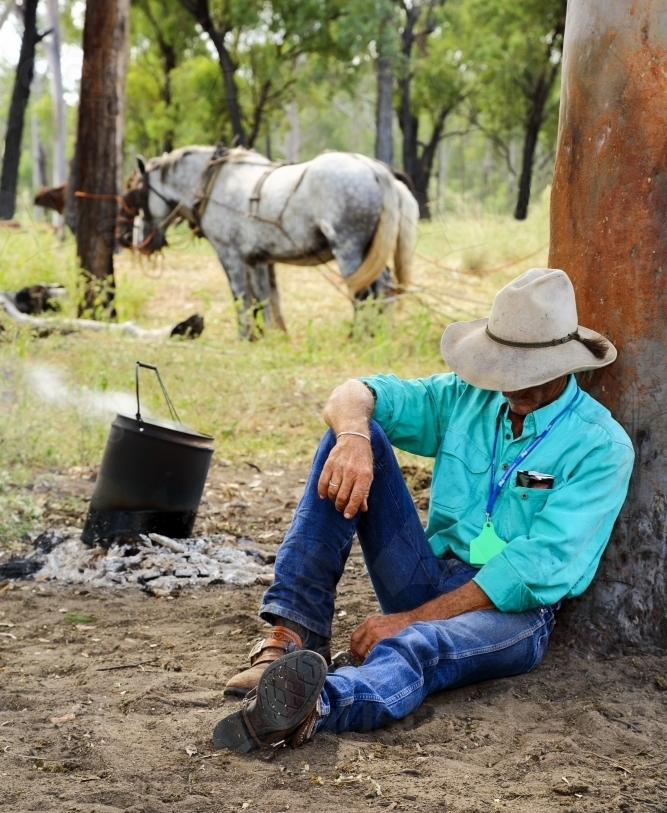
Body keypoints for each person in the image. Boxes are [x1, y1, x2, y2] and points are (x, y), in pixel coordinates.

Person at [212, 268, 634, 753]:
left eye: (528, 372)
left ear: (567, 365)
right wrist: (352, 438)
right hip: (427, 575)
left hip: (512, 612)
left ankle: (311, 706)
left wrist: (411, 620)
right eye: (503, 366)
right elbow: (356, 393)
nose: (510, 383)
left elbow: (534, 570)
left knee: (420, 646)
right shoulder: (468, 396)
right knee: (350, 437)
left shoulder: (601, 447)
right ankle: (293, 635)